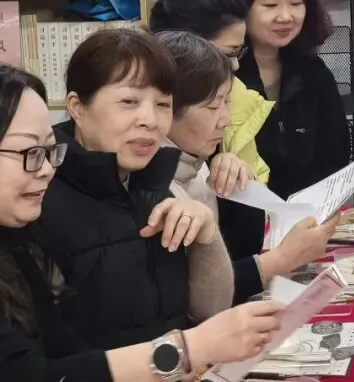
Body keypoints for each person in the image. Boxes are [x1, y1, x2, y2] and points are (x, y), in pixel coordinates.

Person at [0, 63, 285, 381]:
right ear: (77, 108)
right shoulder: (50, 214)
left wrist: (179, 357)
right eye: (29, 151)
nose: (45, 169)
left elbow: (64, 349)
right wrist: (186, 350)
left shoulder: (16, 240)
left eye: (48, 150)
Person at [31, 28, 234, 349]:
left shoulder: (158, 185)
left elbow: (209, 313)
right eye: (129, 102)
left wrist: (206, 234)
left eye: (163, 104)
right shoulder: (38, 196)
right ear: (77, 107)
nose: (149, 120)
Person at [157, 30, 337, 304]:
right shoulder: (155, 188)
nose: (226, 120)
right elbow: (191, 299)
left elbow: (240, 250)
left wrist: (239, 186)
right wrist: (281, 259)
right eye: (213, 107)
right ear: (165, 109)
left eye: (227, 103)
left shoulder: (196, 161)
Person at [149, 0, 276, 259]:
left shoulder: (234, 95)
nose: (235, 65)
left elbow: (255, 210)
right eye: (227, 53)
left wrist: (238, 179)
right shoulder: (150, 180)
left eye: (240, 52)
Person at [225, 0, 351, 199]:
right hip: (242, 211)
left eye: (296, 3)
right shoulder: (224, 74)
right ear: (241, 7)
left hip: (309, 210)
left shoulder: (314, 71)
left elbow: (336, 154)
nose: (286, 16)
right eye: (270, 4)